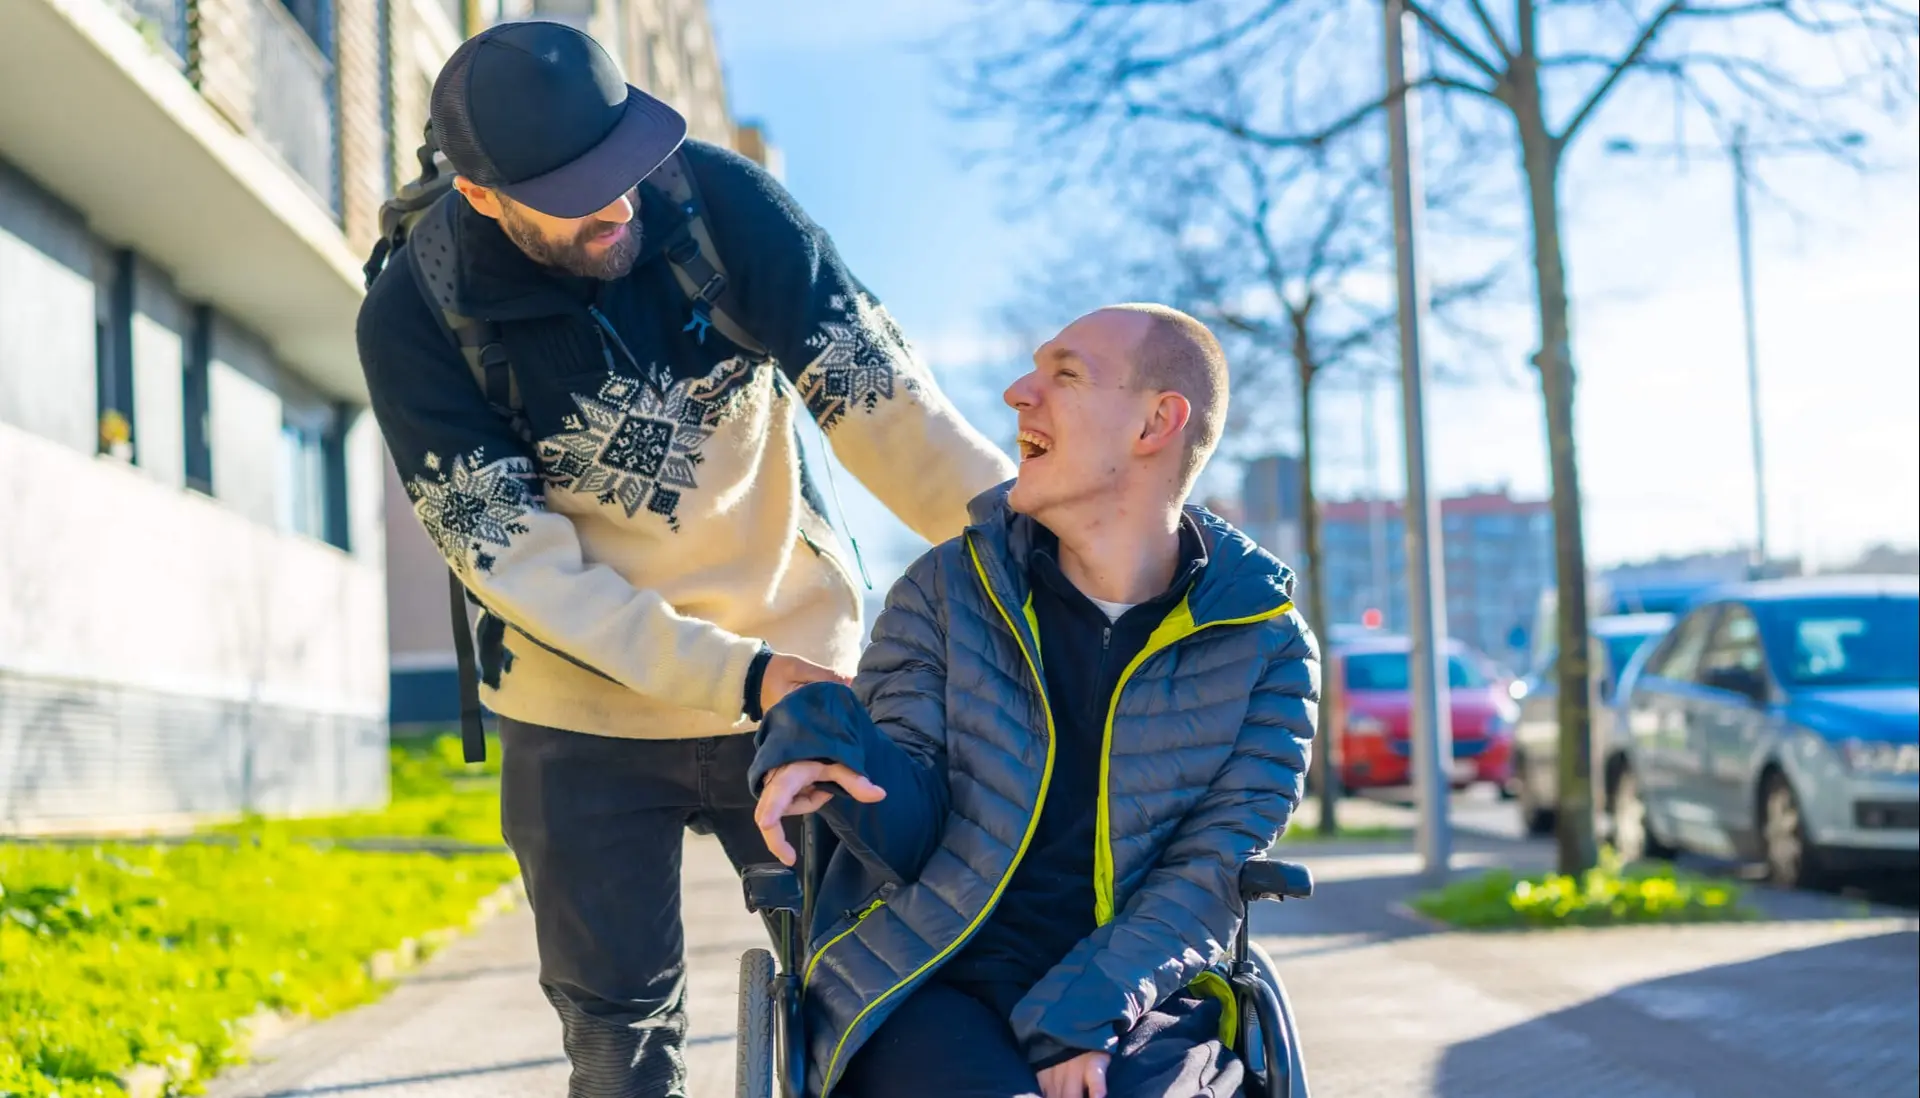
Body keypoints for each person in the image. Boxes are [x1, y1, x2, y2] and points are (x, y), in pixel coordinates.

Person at [354, 20, 1013, 1098]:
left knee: (873, 999)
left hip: (799, 674)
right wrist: (738, 674)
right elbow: (518, 567)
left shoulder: (720, 205)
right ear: (484, 197)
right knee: (619, 1041)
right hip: (583, 713)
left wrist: (1032, 548)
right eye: (576, 192)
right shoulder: (414, 317)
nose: (620, 202)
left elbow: (888, 410)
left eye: (626, 165)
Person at [750, 304, 1319, 1098]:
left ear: (1157, 422)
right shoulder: (946, 591)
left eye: (1065, 375)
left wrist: (1084, 1015)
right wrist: (827, 735)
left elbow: (1211, 871)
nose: (1020, 393)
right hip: (931, 974)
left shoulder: (1267, 643)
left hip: (1139, 990)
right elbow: (908, 831)